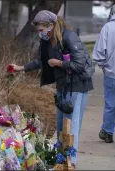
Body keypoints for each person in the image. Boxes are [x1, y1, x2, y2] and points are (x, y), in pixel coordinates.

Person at [10, 10, 94, 167]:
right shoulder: (48, 41)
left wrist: (59, 63)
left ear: (51, 26)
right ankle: (61, 158)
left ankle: (71, 161)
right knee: (61, 123)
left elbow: (80, 64)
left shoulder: (69, 37)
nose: (40, 34)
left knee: (72, 123)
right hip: (62, 84)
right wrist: (20, 68)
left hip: (77, 84)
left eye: (41, 30)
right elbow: (42, 62)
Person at [93, 4, 115, 143]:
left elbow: (100, 52)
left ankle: (107, 132)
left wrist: (103, 66)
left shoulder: (108, 28)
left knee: (110, 104)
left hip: (111, 73)